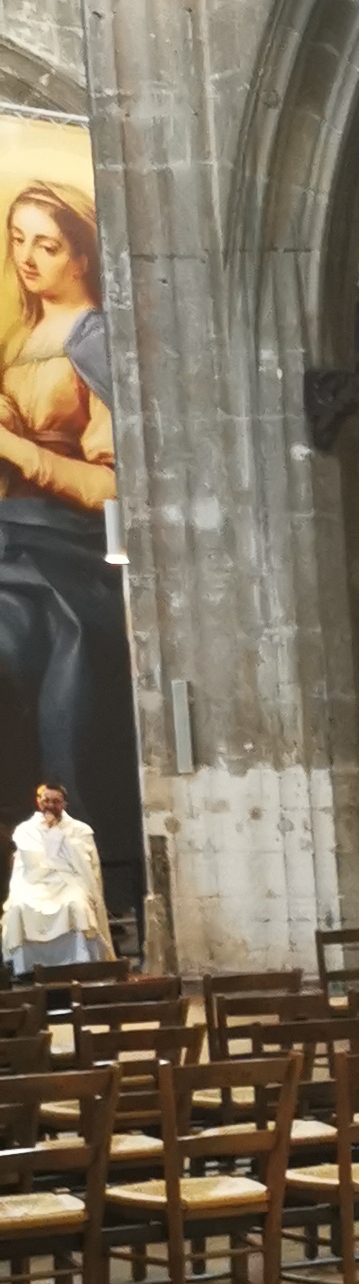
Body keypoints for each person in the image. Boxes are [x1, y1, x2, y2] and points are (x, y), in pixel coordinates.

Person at [0, 186, 137, 864]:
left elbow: (114, 484)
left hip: (73, 542)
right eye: (17, 239)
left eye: (47, 244)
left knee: (63, 632)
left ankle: (79, 827)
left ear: (81, 256)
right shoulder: (19, 339)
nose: (27, 257)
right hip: (12, 530)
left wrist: (19, 451)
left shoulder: (95, 340)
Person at [2, 780, 110, 974]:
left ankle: (81, 964)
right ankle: (25, 970)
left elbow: (83, 862)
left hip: (68, 881)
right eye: (46, 801)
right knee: (19, 906)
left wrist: (57, 833)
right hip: (36, 882)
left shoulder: (80, 829)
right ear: (39, 802)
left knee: (77, 905)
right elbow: (29, 864)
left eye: (56, 801)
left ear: (64, 804)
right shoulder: (25, 830)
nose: (50, 805)